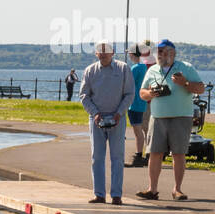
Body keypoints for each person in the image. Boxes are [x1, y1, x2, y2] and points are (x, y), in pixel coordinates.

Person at [137, 39, 204, 201]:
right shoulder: (153, 70)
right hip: (158, 117)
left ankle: (177, 189)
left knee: (178, 153)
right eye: (158, 51)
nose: (160, 54)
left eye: (164, 51)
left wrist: (185, 83)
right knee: (154, 153)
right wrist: (150, 94)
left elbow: (201, 89)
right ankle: (152, 189)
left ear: (173, 53)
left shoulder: (185, 68)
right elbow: (142, 92)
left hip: (181, 117)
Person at [79, 41, 135, 204]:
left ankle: (116, 195)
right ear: (96, 54)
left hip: (117, 118)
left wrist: (119, 113)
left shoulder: (123, 68)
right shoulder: (90, 71)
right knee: (97, 157)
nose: (103, 54)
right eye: (100, 51)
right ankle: (99, 194)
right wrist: (95, 113)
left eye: (106, 51)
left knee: (117, 157)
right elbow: (84, 95)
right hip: (96, 119)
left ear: (112, 53)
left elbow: (130, 93)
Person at [126, 43, 151, 166]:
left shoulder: (135, 68)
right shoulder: (143, 67)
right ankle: (144, 154)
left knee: (137, 131)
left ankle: (138, 156)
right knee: (139, 130)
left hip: (134, 102)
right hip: (140, 102)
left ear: (131, 54)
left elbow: (127, 83)